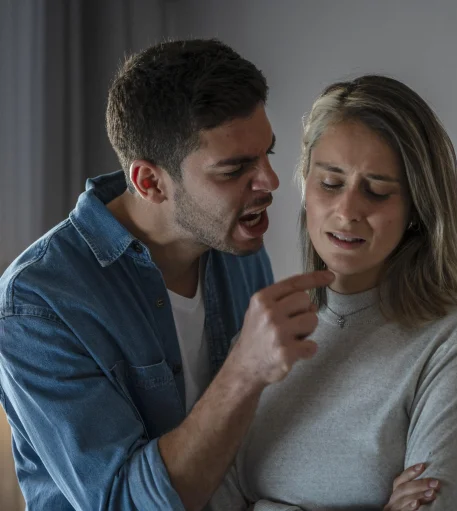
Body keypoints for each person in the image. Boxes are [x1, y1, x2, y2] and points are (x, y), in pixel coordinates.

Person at [0, 38, 337, 510]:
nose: (270, 182)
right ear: (150, 182)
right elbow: (121, 503)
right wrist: (244, 370)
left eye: (268, 154)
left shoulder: (237, 246)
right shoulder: (37, 303)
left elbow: (256, 445)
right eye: (234, 170)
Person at [210, 75, 457, 511]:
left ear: (417, 208)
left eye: (377, 191)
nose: (347, 211)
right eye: (330, 184)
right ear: (305, 186)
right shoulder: (265, 332)